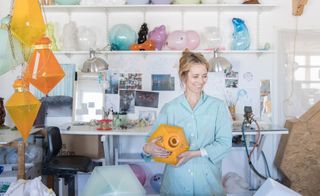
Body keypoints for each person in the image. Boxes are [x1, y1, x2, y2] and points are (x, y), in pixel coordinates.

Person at [143, 49, 232, 196]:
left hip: (207, 183)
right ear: (184, 76)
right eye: (195, 76)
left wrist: (195, 153)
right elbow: (151, 142)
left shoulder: (218, 106)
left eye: (204, 76)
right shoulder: (170, 108)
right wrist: (148, 148)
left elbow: (225, 144)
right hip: (177, 183)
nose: (201, 81)